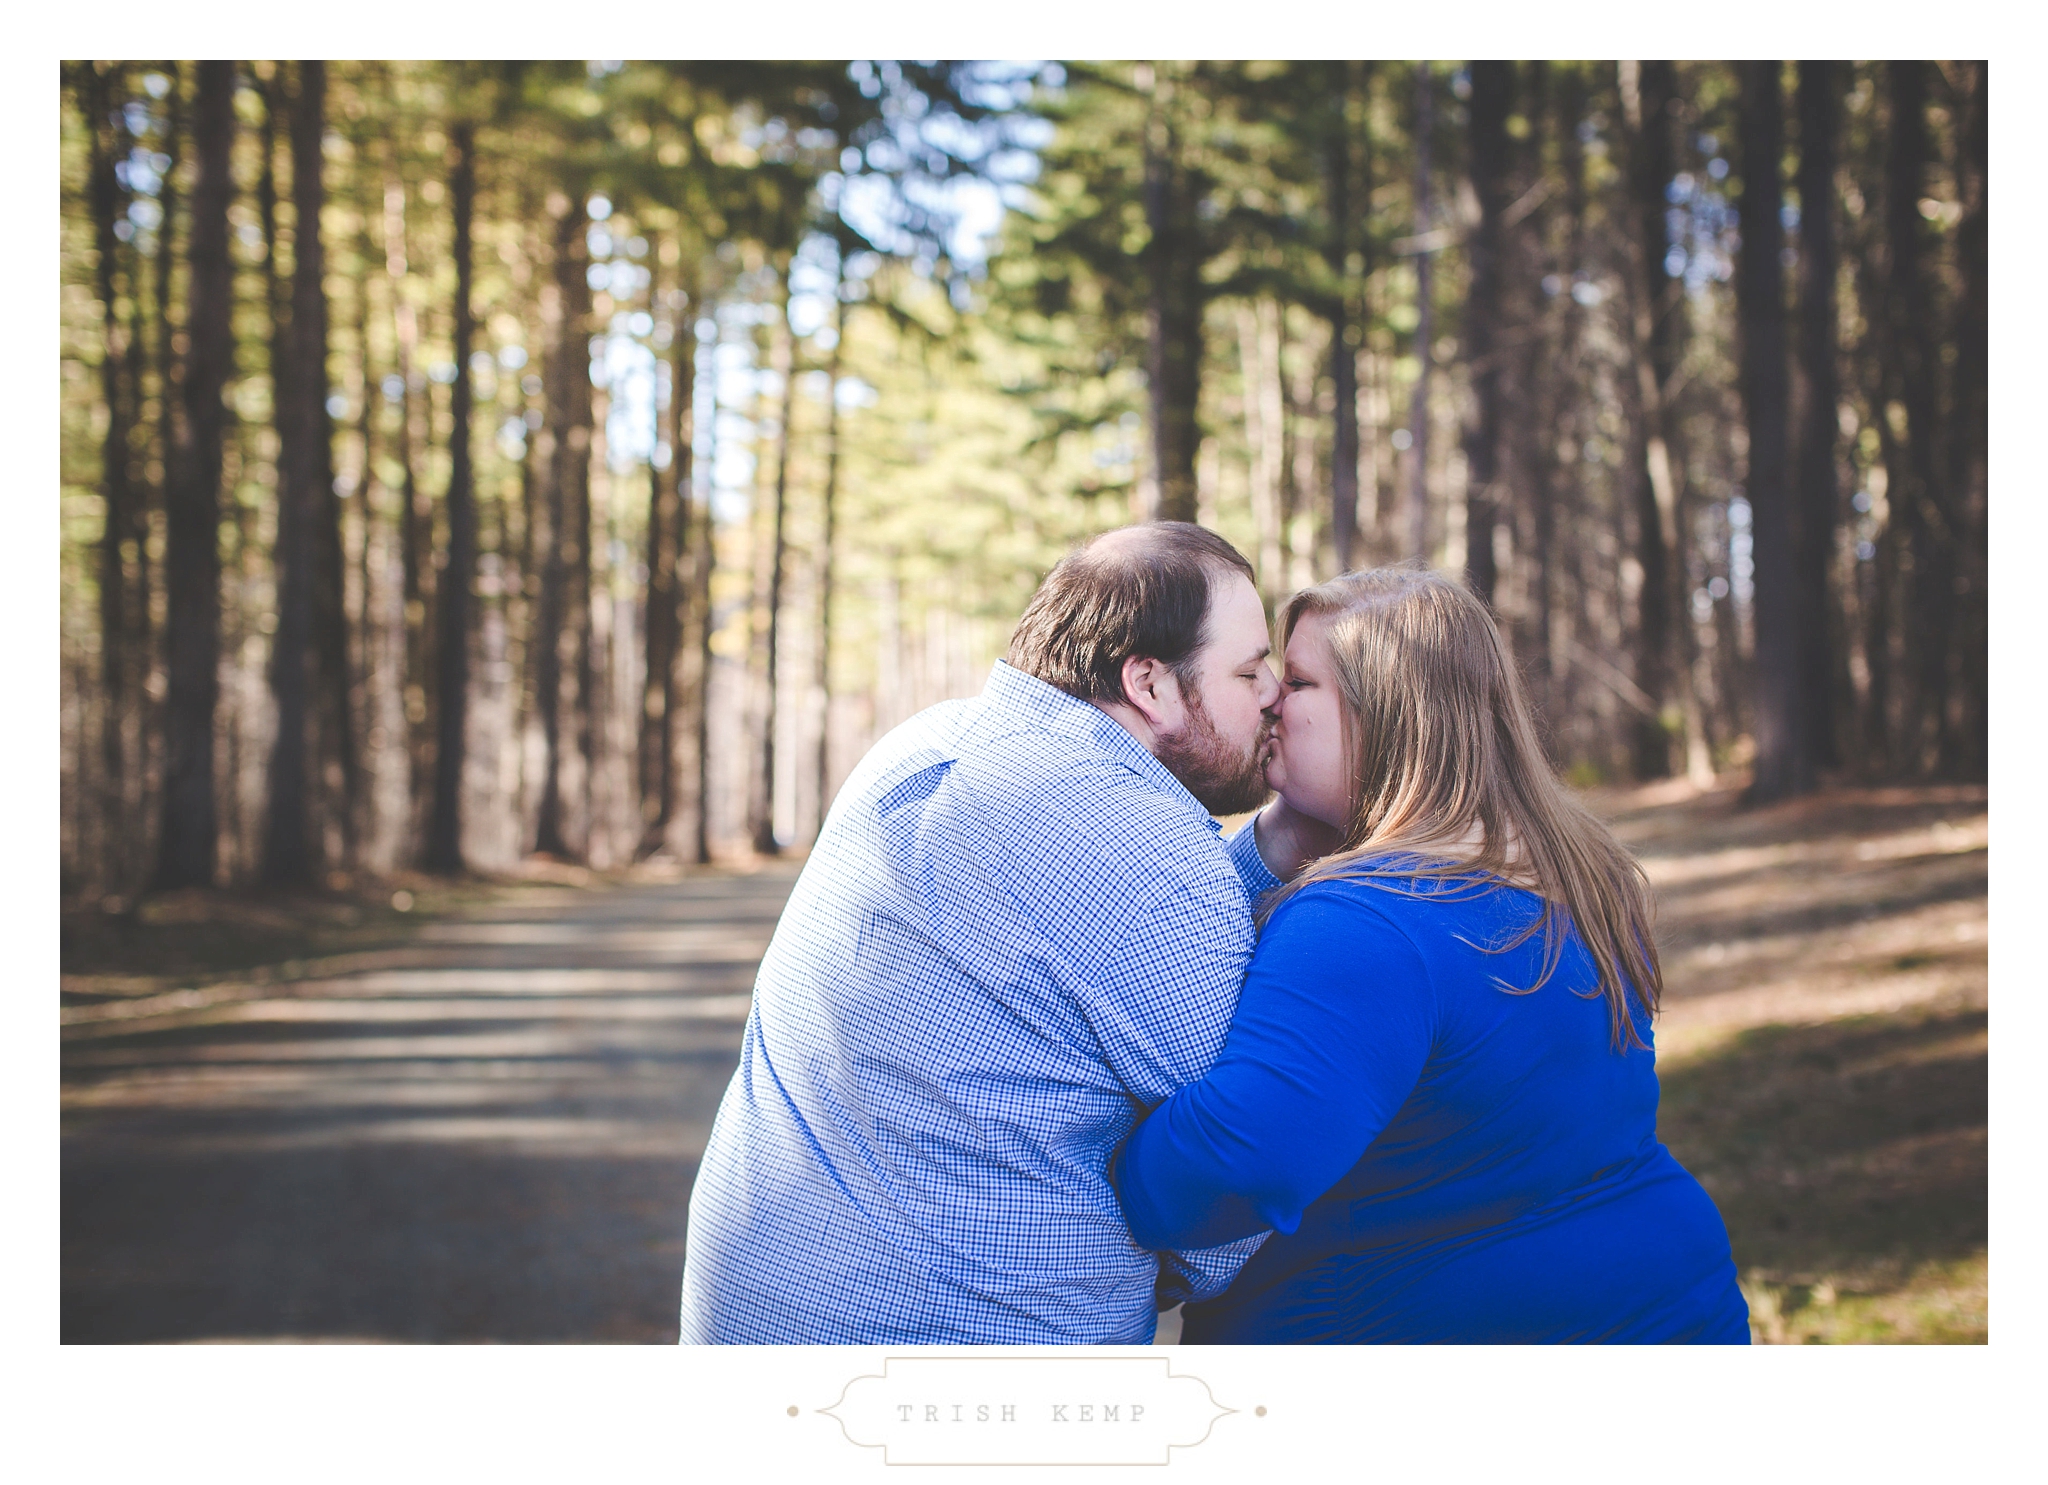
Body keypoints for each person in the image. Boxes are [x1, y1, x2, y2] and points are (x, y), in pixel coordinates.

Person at [1111, 566, 1751, 1343]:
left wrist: (1109, 1159)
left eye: (1301, 681)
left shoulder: (1368, 919)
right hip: (1670, 1307)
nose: (1271, 695)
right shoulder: (1569, 876)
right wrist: (1283, 835)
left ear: (1385, 717)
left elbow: (1238, 1163)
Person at [680, 523, 1282, 1344]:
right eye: (1249, 670)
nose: (1274, 693)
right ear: (1149, 682)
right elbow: (1232, 1183)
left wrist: (1268, 850)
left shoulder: (925, 742)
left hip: (750, 1313)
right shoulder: (1146, 845)